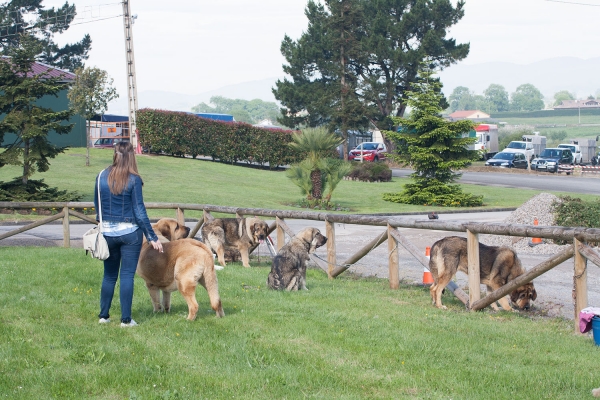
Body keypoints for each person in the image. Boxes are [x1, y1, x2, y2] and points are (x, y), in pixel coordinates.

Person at [94, 141, 163, 327]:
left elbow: (97, 208)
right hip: (130, 233)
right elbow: (139, 211)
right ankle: (126, 320)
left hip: (107, 233)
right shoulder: (134, 179)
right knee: (126, 276)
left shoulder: (101, 176)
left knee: (109, 276)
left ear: (114, 154)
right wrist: (152, 237)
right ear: (132, 155)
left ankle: (103, 316)